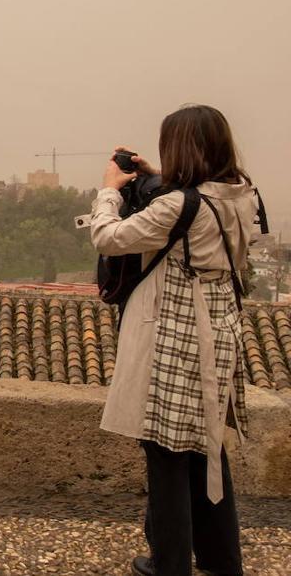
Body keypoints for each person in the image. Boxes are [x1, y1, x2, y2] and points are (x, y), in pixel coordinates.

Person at [90, 105, 259, 576]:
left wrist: (108, 189)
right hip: (220, 328)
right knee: (206, 447)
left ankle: (169, 565)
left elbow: (108, 237)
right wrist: (153, 175)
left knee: (165, 454)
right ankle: (222, 560)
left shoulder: (179, 205)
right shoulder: (242, 194)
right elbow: (197, 200)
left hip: (176, 335)